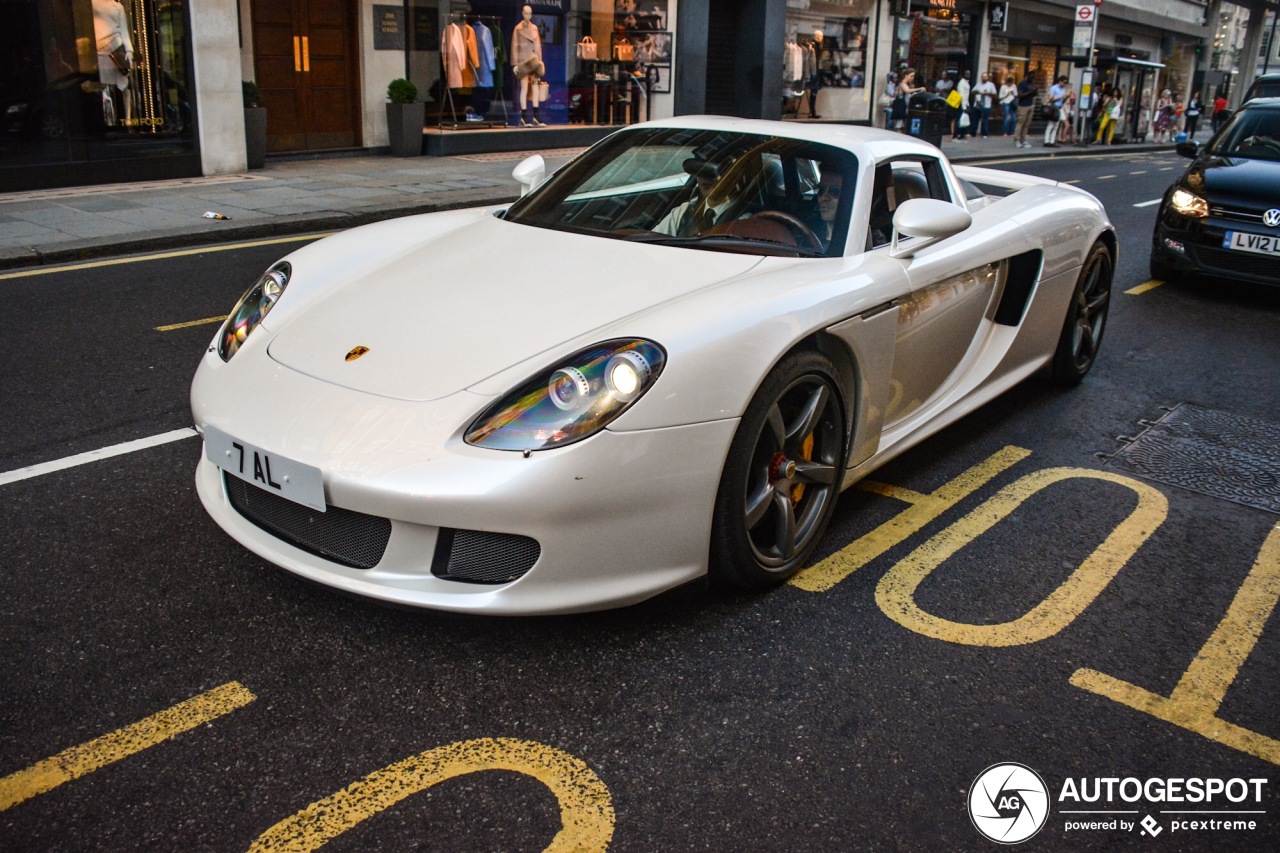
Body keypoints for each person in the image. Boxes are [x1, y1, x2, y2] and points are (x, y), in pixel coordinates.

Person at [652, 158, 732, 236]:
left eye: (712, 173)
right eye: (699, 172)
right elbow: (652, 240)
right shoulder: (683, 213)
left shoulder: (742, 219)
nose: (704, 179)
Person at [512, 5, 545, 126]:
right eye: (526, 13)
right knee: (524, 88)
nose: (528, 16)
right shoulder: (518, 29)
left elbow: (538, 46)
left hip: (534, 62)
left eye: (530, 14)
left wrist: (540, 62)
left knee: (536, 87)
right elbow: (514, 46)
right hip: (523, 62)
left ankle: (536, 115)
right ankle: (524, 116)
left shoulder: (535, 28)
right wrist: (515, 64)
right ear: (522, 14)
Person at [1043, 75, 1069, 147]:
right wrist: (1061, 97)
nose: (1064, 84)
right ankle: (1046, 141)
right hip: (1054, 107)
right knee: (1051, 125)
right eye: (1064, 82)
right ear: (1060, 81)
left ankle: (1052, 141)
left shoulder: (1063, 89)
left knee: (1056, 126)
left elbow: (1062, 101)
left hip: (1059, 108)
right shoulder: (1053, 88)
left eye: (1065, 83)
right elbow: (1051, 99)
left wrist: (1066, 97)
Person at [1014, 74, 1038, 148]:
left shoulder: (1031, 84)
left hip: (1030, 105)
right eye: (1032, 78)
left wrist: (1035, 91)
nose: (1033, 80)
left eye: (1034, 79)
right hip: (1023, 106)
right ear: (1027, 77)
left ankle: (1023, 140)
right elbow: (1020, 95)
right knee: (1020, 123)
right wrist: (1031, 91)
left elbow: (1033, 94)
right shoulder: (1022, 84)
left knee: (1026, 124)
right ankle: (1017, 140)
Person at [972, 72, 997, 138]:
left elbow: (994, 94)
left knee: (984, 120)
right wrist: (978, 92)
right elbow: (972, 91)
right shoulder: (978, 84)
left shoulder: (991, 85)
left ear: (987, 77)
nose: (984, 78)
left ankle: (984, 133)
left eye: (985, 77)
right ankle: (973, 132)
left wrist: (988, 93)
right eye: (983, 77)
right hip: (977, 104)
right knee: (975, 119)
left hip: (986, 105)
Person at [953, 70, 972, 139]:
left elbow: (966, 95)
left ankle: (961, 135)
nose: (968, 75)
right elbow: (962, 95)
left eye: (969, 73)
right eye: (966, 73)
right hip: (961, 104)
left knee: (963, 119)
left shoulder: (966, 83)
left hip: (965, 103)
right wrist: (964, 106)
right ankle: (955, 136)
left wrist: (967, 104)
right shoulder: (962, 83)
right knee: (959, 120)